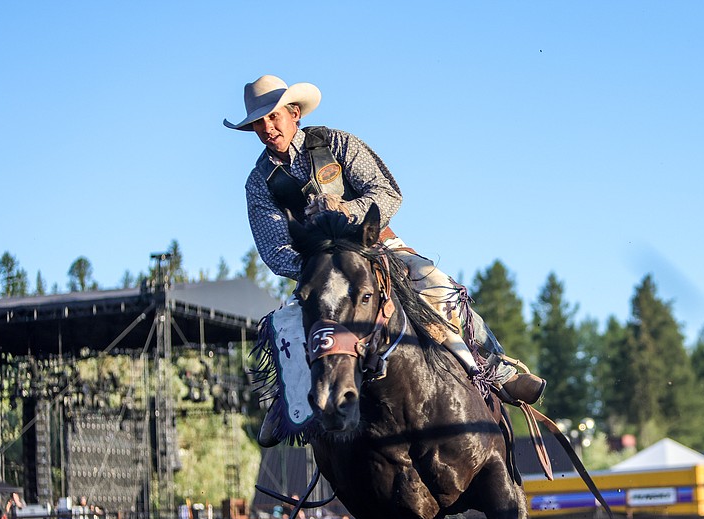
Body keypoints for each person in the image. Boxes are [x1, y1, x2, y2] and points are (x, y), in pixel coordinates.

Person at [224, 75, 546, 446]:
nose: (266, 128)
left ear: (293, 113)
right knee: (285, 326)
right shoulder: (259, 183)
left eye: (273, 117)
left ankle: (496, 369)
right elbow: (274, 249)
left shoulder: (335, 143)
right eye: (257, 123)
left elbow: (386, 193)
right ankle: (287, 404)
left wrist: (346, 212)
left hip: (379, 250)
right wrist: (324, 265)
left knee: (437, 284)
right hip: (320, 275)